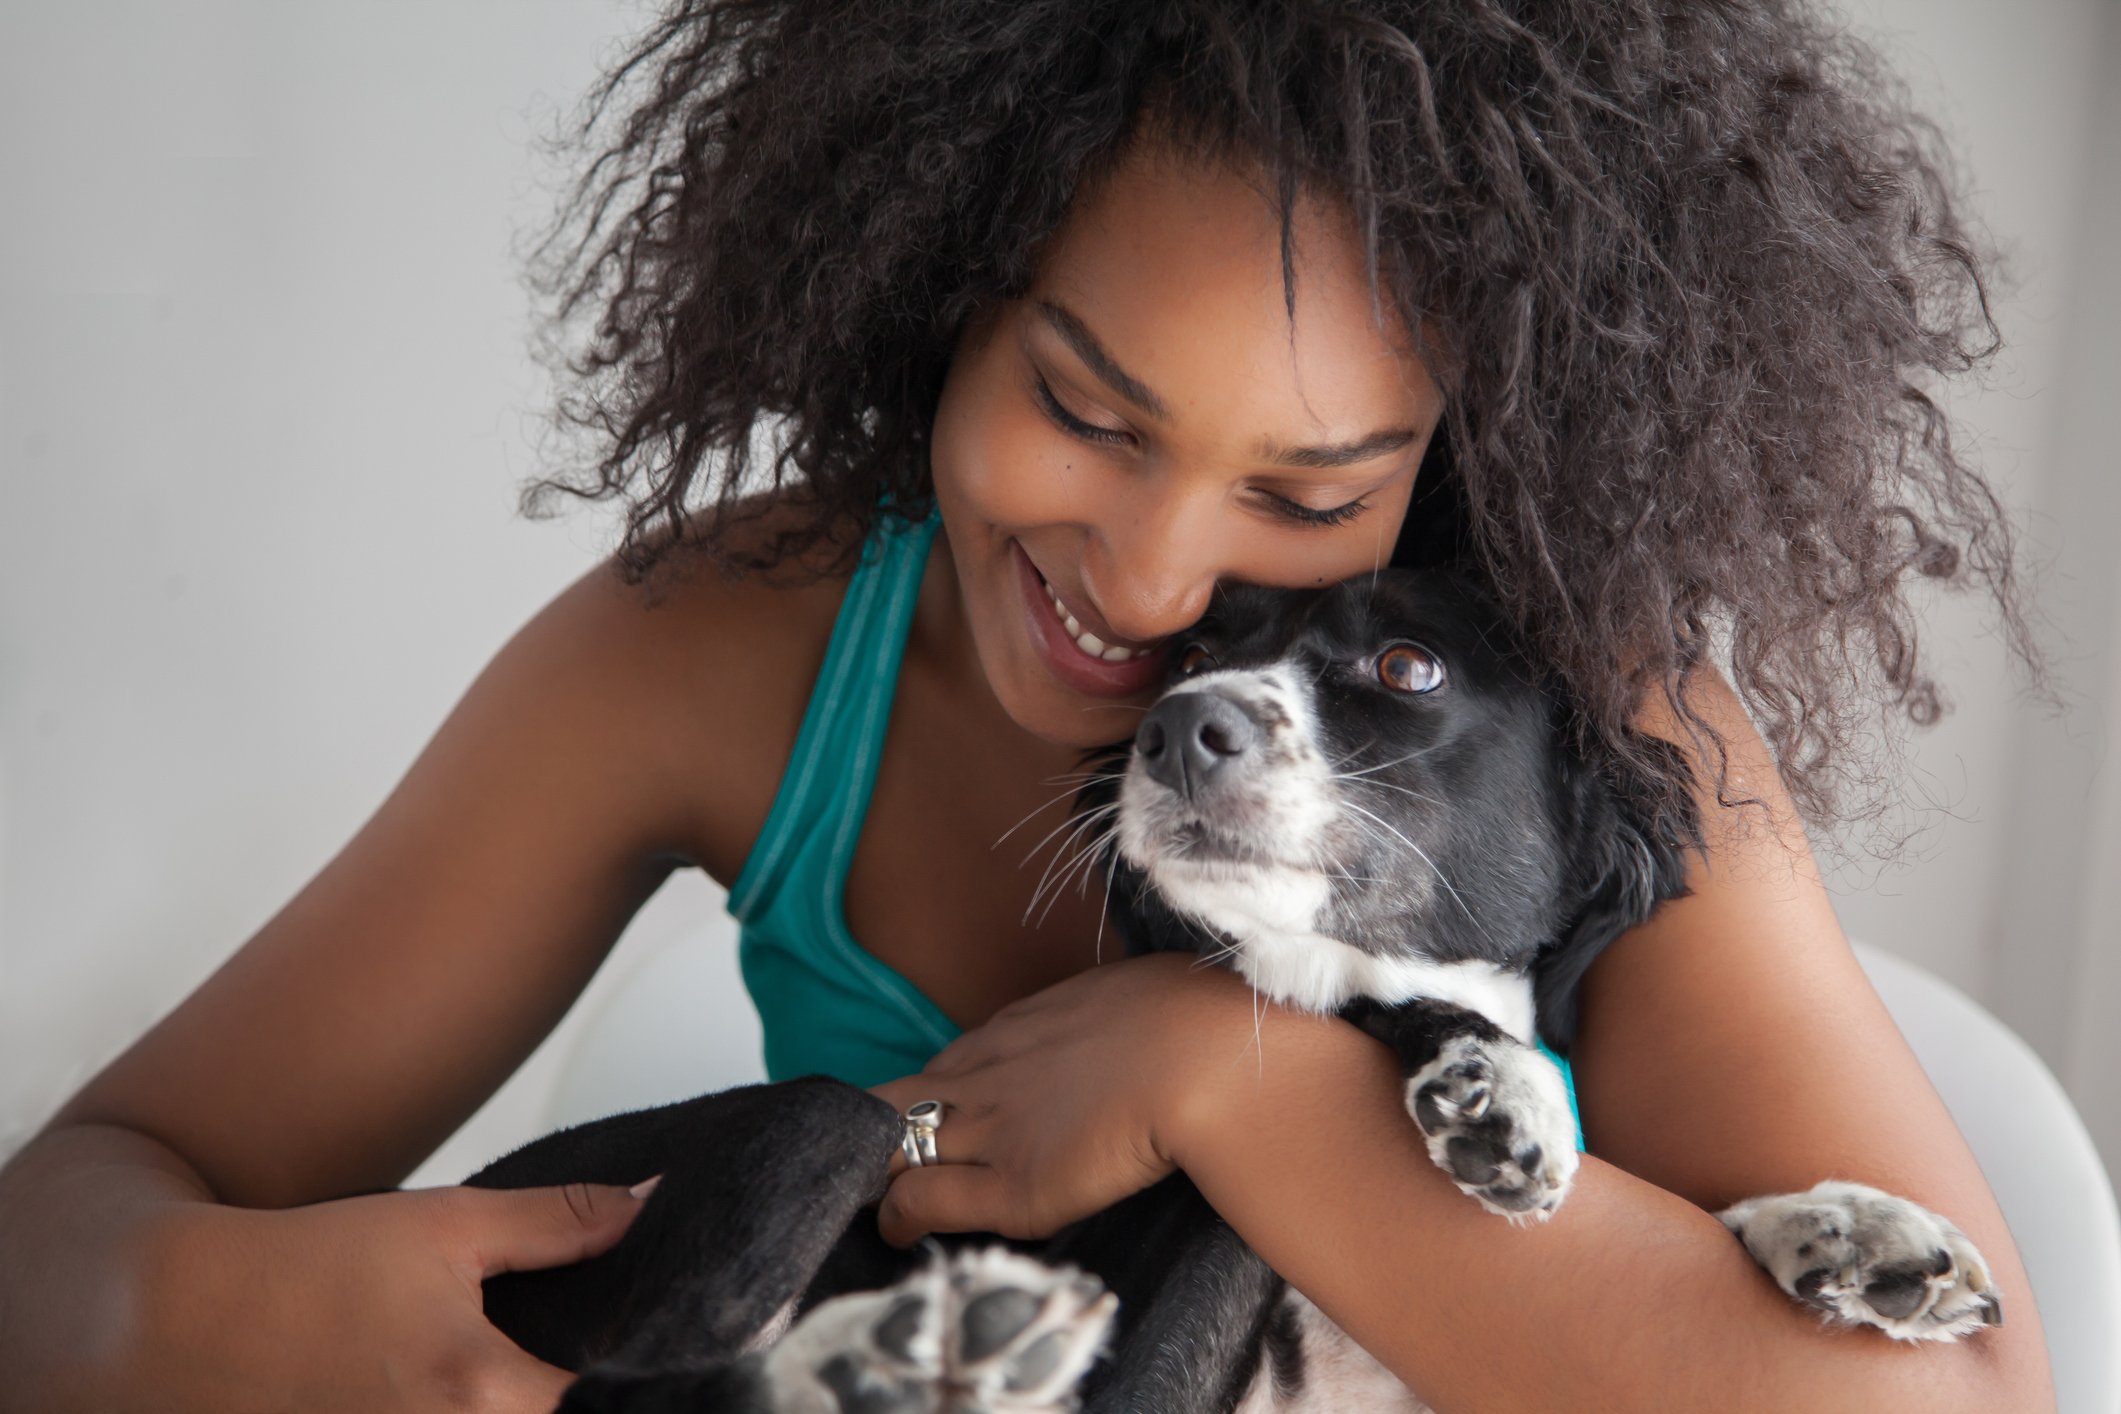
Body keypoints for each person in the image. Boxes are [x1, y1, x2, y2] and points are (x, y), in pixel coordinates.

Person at [0, 1, 2058, 1409]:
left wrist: (1224, 1079)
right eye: (1080, 407)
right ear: (929, 288)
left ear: (1457, 465)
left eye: (1304, 492)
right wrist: (224, 1300)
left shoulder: (1585, 721)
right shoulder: (725, 648)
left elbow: (1958, 1395)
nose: (1153, 581)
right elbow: (70, 1212)